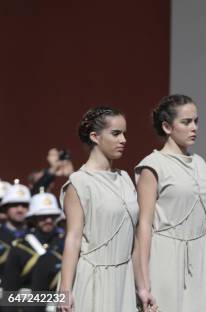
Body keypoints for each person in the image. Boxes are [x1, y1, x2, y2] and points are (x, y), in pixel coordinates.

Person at [135, 94, 206, 312]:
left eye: (196, 121)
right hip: (164, 257)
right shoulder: (153, 166)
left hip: (197, 260)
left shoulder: (202, 165)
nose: (194, 127)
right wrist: (144, 280)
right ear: (167, 127)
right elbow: (144, 226)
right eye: (186, 122)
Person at [59, 106, 139, 312]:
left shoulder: (125, 178)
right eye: (116, 133)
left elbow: (134, 238)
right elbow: (73, 238)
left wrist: (143, 286)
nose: (123, 140)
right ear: (95, 137)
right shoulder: (79, 182)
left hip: (124, 279)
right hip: (94, 278)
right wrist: (65, 291)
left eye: (124, 133)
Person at [3, 189, 64, 312]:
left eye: (52, 216)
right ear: (33, 218)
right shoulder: (20, 248)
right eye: (43, 217)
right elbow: (9, 293)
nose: (48, 220)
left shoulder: (65, 242)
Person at [0, 181, 31, 278]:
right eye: (15, 205)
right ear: (5, 209)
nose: (20, 210)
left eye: (24, 205)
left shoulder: (35, 236)